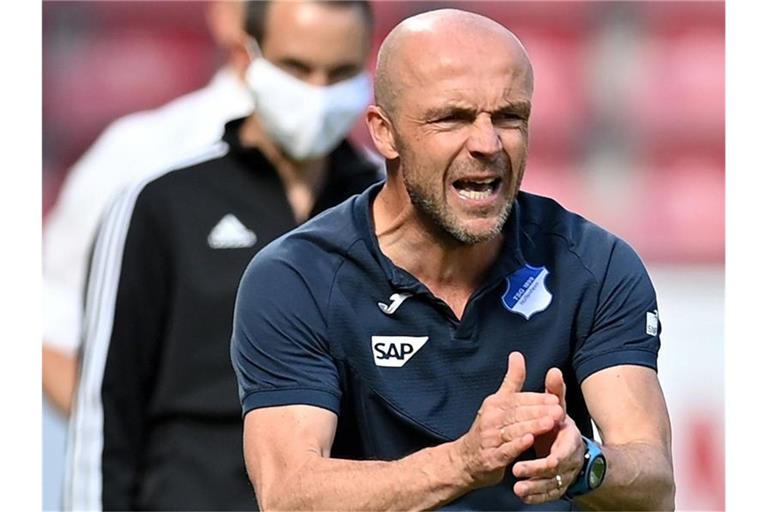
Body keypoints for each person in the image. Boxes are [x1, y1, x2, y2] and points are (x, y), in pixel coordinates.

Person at [231, 8, 675, 511]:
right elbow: (289, 495)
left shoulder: (594, 264)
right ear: (384, 132)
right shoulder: (297, 278)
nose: (487, 144)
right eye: (452, 118)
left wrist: (586, 466)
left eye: (509, 117)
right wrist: (463, 462)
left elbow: (655, 486)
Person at [64, 1, 380, 510]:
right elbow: (106, 413)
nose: (318, 92)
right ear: (247, 57)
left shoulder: (387, 206)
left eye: (340, 72)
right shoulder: (160, 203)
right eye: (297, 67)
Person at [43, 0, 253, 417]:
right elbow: (51, 320)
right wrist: (121, 446)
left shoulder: (367, 173)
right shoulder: (139, 156)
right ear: (229, 15)